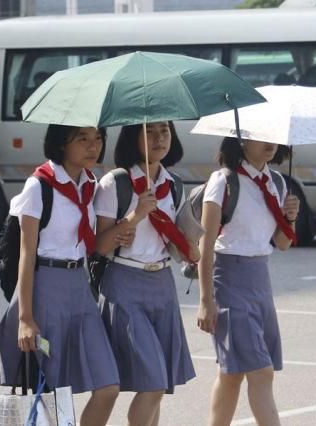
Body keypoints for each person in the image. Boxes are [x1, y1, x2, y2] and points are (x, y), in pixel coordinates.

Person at [0, 125, 123, 426]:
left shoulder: (90, 184)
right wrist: (25, 319)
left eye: (98, 139)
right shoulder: (39, 186)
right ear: (61, 144)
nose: (93, 146)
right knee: (48, 394)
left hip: (79, 287)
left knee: (108, 386)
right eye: (82, 139)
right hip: (45, 287)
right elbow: (26, 255)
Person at [94, 122, 199, 426]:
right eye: (149, 131)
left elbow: (179, 242)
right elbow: (100, 245)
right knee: (152, 383)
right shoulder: (116, 183)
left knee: (160, 384)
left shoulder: (174, 184)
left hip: (162, 284)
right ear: (132, 136)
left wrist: (193, 253)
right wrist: (135, 215)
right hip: (125, 283)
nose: (159, 138)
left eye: (165, 131)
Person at [196, 137, 299, 426]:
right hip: (229, 278)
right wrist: (206, 301)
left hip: (260, 279)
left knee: (231, 374)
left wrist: (290, 217)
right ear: (241, 141)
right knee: (260, 371)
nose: (270, 143)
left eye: (274, 137)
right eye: (261, 136)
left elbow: (281, 243)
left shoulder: (276, 182)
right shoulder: (224, 180)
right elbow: (206, 244)